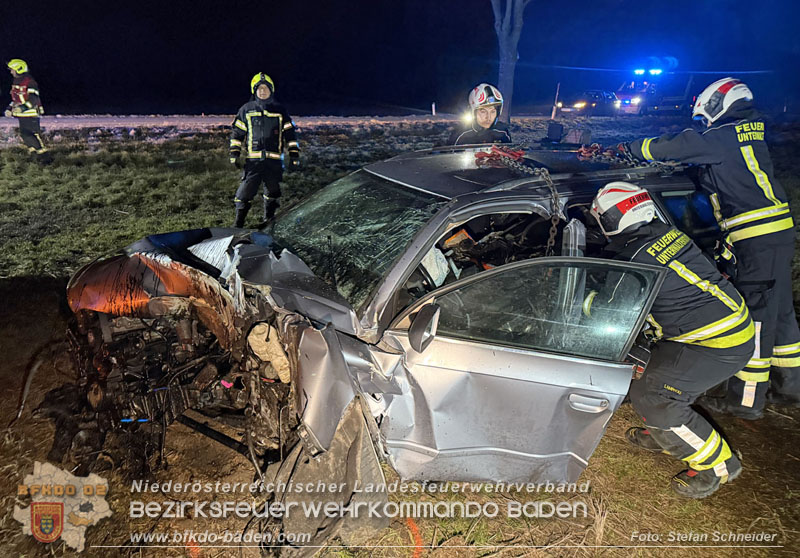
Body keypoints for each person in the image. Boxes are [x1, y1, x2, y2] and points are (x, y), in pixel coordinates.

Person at [622, 78, 799, 419]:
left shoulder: (723, 136)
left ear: (720, 103)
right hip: (776, 234)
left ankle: (746, 401)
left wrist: (632, 148)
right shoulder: (748, 130)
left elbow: (674, 146)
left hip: (757, 239)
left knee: (759, 315)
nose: (705, 123)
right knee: (782, 313)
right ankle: (790, 388)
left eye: (706, 116)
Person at [587, 182, 755, 498]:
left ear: (610, 220)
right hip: (719, 329)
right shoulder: (664, 233)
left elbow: (609, 310)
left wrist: (582, 297)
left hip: (717, 344)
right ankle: (667, 433)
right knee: (641, 385)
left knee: (658, 397)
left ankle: (718, 467)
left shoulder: (635, 257)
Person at [229, 73, 300, 228]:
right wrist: (234, 153)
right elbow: (237, 133)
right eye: (259, 88)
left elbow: (290, 134)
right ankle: (238, 224)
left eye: (265, 88)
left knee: (273, 192)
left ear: (271, 90)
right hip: (253, 162)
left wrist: (294, 154)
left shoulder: (280, 110)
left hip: (274, 162)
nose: (262, 91)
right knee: (243, 194)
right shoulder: (246, 109)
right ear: (254, 91)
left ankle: (269, 221)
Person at [4, 59, 48, 159]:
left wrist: (22, 108)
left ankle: (45, 158)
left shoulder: (30, 82)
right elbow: (16, 99)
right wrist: (9, 108)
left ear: (19, 69)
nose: (11, 72)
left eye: (12, 70)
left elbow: (33, 99)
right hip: (22, 115)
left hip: (31, 114)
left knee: (33, 136)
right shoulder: (16, 82)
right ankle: (34, 156)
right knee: (25, 136)